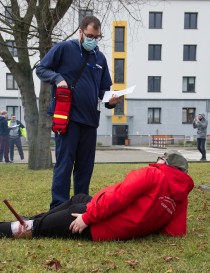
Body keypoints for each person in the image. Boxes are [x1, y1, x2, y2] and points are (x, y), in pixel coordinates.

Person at [0, 151, 194, 241]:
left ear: (165, 163)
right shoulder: (181, 196)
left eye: (160, 159)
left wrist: (87, 217)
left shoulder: (153, 174)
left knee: (38, 227)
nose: (156, 161)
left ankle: (19, 227)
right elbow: (175, 232)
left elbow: (119, 197)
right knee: (79, 197)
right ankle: (34, 220)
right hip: (107, 216)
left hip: (98, 223)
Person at [36, 16, 119, 209]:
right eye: (89, 35)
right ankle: (58, 207)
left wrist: (112, 101)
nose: (93, 40)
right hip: (67, 119)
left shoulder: (100, 58)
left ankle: (81, 206)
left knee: (85, 168)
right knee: (64, 164)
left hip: (90, 121)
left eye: (96, 37)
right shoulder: (64, 48)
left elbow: (104, 91)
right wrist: (57, 78)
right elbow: (41, 69)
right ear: (80, 32)